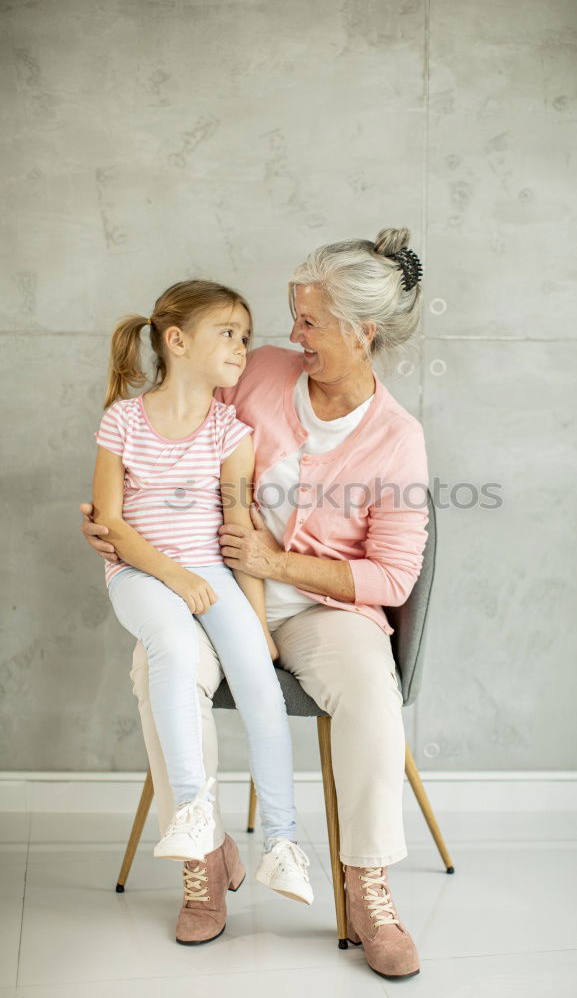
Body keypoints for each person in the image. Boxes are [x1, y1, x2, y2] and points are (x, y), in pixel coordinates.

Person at [81, 228, 429, 980]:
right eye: (292, 316)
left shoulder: (398, 438)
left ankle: (366, 883)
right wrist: (116, 516)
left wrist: (276, 562)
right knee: (158, 664)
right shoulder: (261, 372)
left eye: (309, 322)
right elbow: (173, 435)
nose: (289, 335)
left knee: (371, 686)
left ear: (361, 331)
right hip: (216, 587)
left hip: (321, 609)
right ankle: (203, 856)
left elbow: (393, 577)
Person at [89, 279, 314, 927]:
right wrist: (174, 577)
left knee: (260, 687)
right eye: (228, 334)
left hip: (213, 573)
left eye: (246, 337)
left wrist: (256, 620)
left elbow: (237, 530)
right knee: (169, 644)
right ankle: (194, 816)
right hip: (138, 574)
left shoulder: (229, 430)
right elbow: (111, 522)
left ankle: (280, 840)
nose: (242, 347)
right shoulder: (123, 421)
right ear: (176, 340)